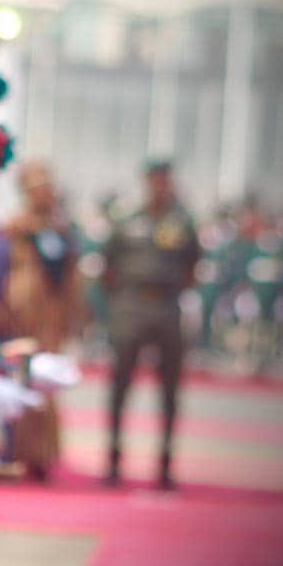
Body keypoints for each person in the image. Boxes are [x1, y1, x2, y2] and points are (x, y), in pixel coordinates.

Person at [103, 159, 199, 489]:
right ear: (146, 181)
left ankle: (165, 466)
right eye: (155, 179)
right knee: (120, 384)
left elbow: (193, 264)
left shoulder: (183, 220)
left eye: (165, 179)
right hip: (131, 304)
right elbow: (108, 264)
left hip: (168, 305)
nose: (160, 185)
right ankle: (114, 461)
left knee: (170, 388)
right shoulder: (127, 218)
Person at [3, 161, 83, 480]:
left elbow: (71, 278)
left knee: (47, 385)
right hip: (22, 317)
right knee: (19, 380)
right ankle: (16, 452)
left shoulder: (61, 231)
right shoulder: (15, 229)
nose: (43, 194)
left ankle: (43, 454)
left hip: (51, 318)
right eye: (37, 187)